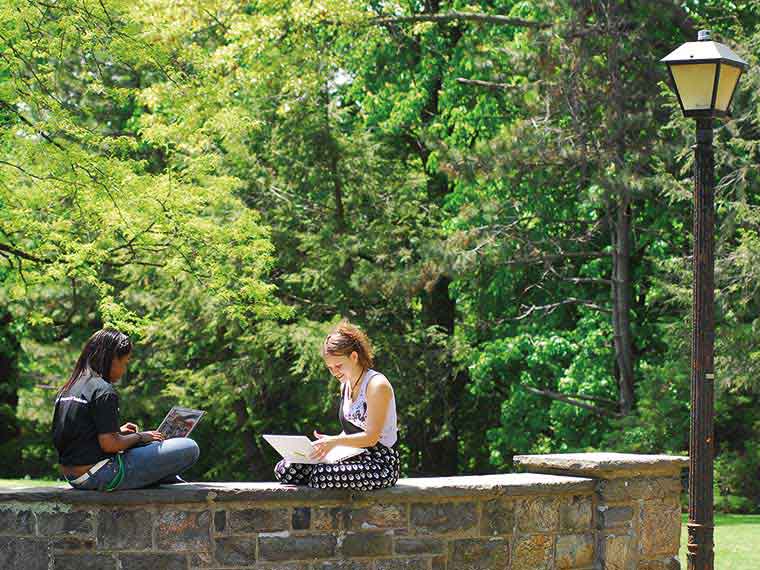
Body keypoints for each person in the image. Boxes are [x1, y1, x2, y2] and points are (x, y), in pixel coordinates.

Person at [52, 329, 199, 491]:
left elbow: (78, 437)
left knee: (148, 446)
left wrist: (118, 432)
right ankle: (163, 476)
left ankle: (163, 476)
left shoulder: (69, 388)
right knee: (189, 447)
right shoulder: (103, 390)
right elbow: (110, 445)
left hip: (74, 476)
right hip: (100, 474)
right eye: (125, 362)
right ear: (111, 358)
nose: (124, 369)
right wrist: (140, 436)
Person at [274, 321, 399, 490]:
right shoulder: (345, 386)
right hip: (350, 455)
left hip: (380, 463)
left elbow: (371, 437)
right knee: (286, 469)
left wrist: (334, 443)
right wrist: (325, 446)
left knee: (321, 475)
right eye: (330, 368)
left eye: (338, 366)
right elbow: (350, 431)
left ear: (354, 357)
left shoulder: (377, 385)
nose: (335, 372)